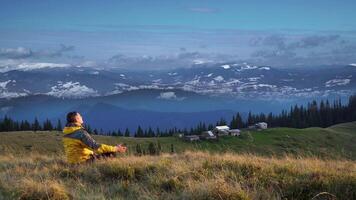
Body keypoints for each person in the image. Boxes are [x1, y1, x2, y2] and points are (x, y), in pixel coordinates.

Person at [62, 111, 127, 164]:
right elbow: (95, 146)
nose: (82, 117)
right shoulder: (80, 133)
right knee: (111, 153)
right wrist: (115, 148)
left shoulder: (67, 132)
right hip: (82, 162)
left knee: (101, 153)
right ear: (76, 118)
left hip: (72, 162)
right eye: (80, 116)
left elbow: (83, 148)